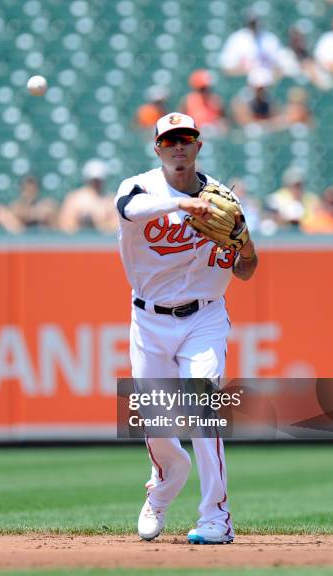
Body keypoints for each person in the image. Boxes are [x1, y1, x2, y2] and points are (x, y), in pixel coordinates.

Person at [114, 112, 258, 544]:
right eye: (169, 140)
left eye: (186, 139)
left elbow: (248, 269)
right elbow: (129, 210)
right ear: (157, 149)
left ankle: (216, 517)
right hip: (149, 318)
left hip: (206, 317)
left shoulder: (223, 198)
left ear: (198, 146)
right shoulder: (139, 188)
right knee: (156, 422)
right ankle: (164, 484)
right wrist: (181, 204)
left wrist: (245, 243)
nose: (178, 146)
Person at [219, 8, 283, 84]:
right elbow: (225, 68)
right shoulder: (237, 39)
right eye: (252, 23)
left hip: (266, 82)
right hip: (244, 84)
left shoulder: (270, 39)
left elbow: (281, 66)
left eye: (255, 22)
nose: (254, 25)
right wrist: (247, 70)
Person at [59, 159, 118, 233]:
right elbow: (66, 226)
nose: (96, 183)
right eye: (93, 180)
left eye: (99, 180)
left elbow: (116, 227)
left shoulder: (111, 200)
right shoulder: (74, 199)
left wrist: (98, 223)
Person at [178, 69, 226, 135]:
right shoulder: (187, 100)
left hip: (213, 134)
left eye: (208, 88)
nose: (206, 91)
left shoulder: (216, 100)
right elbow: (180, 123)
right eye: (202, 89)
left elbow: (224, 122)